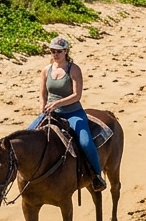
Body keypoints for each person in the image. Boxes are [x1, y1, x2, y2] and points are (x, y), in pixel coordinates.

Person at [29, 36, 106, 192]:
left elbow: (77, 95)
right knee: (28, 135)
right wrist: (42, 107)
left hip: (73, 113)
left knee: (85, 142)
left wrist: (57, 103)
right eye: (53, 51)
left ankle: (97, 176)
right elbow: (43, 93)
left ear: (66, 51)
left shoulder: (74, 69)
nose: (55, 54)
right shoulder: (46, 70)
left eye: (59, 51)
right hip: (51, 113)